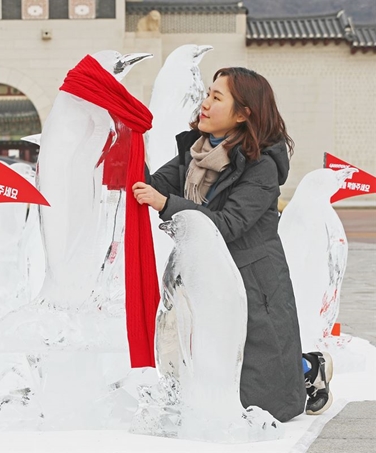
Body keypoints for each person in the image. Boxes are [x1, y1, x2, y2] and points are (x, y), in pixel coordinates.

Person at [132, 67, 332, 421]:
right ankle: (301, 365)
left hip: (254, 280)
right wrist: (125, 142)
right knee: (215, 369)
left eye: (216, 97)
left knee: (261, 389)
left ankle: (309, 368)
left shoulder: (262, 167)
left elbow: (229, 224)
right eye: (207, 94)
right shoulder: (194, 153)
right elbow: (151, 183)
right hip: (208, 276)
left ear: (243, 113)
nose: (205, 103)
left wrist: (165, 204)